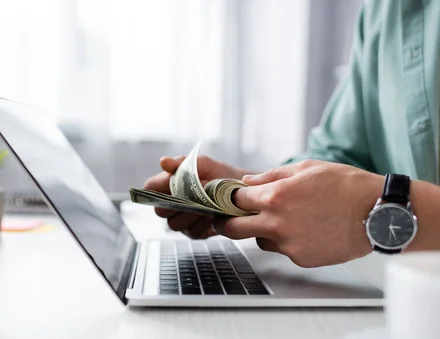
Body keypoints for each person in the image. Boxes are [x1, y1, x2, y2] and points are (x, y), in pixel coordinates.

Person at [143, 0, 440, 268]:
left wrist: (378, 210)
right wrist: (250, 191)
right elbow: (342, 157)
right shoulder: (383, 10)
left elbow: (359, 195)